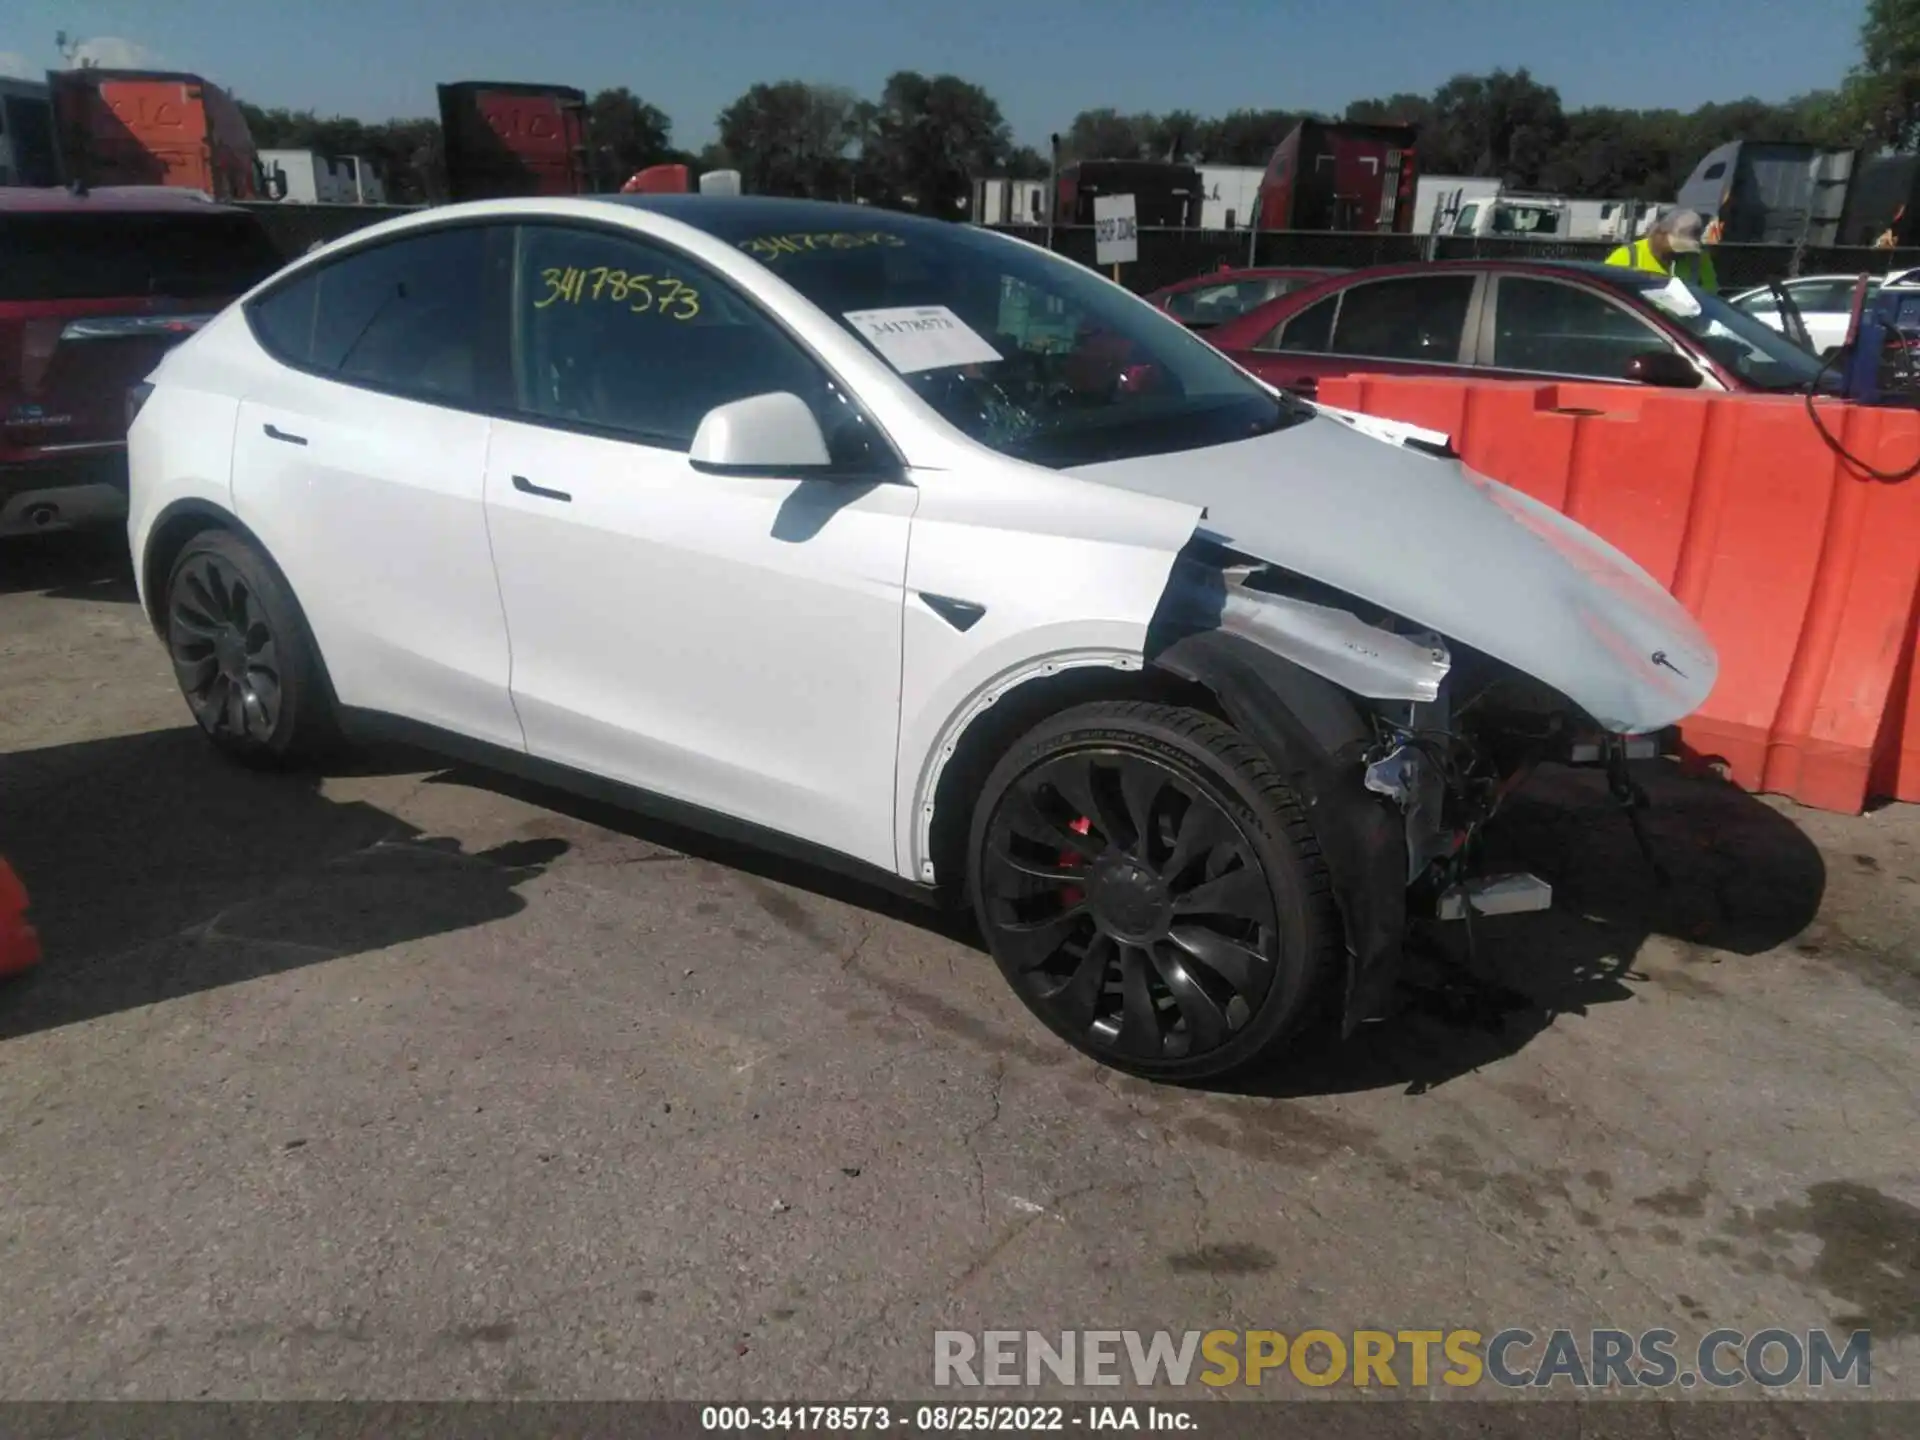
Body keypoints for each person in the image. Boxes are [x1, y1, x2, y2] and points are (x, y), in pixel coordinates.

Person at [1605, 208, 1719, 293]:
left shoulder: (1699, 259)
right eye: (1676, 248)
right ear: (1659, 234)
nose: (1678, 254)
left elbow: (1711, 296)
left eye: (1685, 249)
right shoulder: (1625, 257)